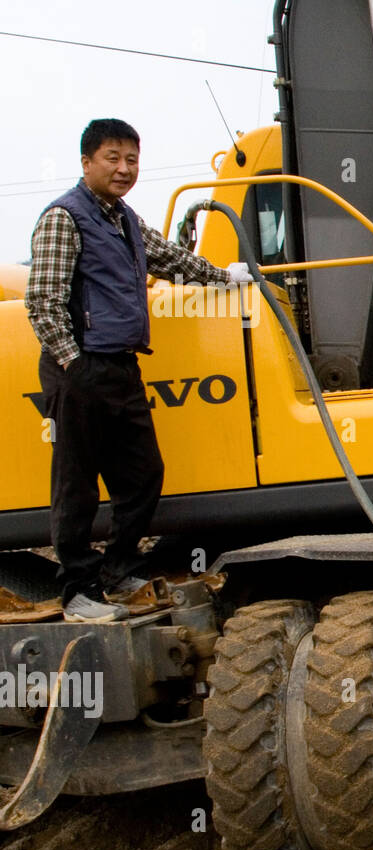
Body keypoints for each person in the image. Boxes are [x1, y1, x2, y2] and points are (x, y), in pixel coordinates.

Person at [24, 118, 252, 623]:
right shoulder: (65, 217)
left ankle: (118, 569)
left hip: (121, 364)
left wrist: (224, 275)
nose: (124, 168)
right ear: (87, 163)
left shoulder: (123, 219)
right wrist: (72, 363)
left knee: (143, 473)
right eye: (113, 158)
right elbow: (43, 300)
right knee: (76, 485)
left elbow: (170, 257)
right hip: (78, 366)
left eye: (131, 159)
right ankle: (78, 592)